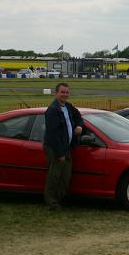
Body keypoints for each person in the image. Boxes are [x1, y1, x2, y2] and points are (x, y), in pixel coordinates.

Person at [42, 82, 84, 210]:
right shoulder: (52, 110)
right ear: (56, 93)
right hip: (55, 148)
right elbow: (52, 135)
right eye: (62, 92)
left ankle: (58, 200)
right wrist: (59, 154)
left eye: (67, 92)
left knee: (65, 176)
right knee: (54, 176)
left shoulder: (68, 106)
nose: (65, 95)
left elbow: (78, 116)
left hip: (66, 146)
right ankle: (51, 203)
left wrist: (79, 126)